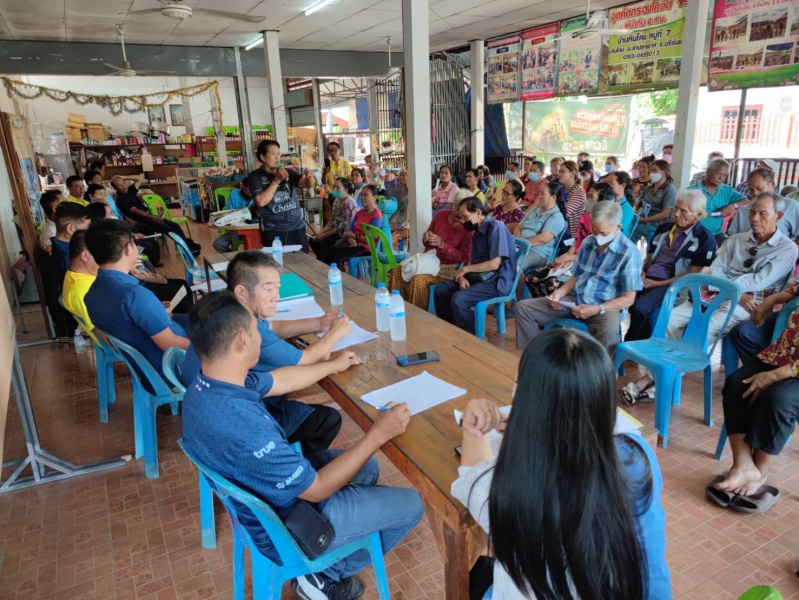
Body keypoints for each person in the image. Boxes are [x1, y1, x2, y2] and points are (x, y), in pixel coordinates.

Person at [181, 291, 423, 600]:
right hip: (285, 525)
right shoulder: (245, 428)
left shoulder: (209, 386)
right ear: (241, 340)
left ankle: (330, 562)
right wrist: (378, 434)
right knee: (412, 505)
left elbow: (280, 380)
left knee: (368, 467)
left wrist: (332, 365)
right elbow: (317, 489)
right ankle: (323, 576)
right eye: (256, 330)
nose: (261, 335)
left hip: (267, 497)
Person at [452, 328, 670, 600]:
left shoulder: (511, 493)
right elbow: (653, 571)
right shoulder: (637, 455)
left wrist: (474, 416)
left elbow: (472, 473)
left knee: (476, 575)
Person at [181, 251, 355, 454]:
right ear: (242, 292)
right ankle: (296, 461)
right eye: (269, 289)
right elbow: (306, 361)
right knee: (328, 420)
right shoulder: (244, 330)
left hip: (209, 397)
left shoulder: (227, 309)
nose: (276, 297)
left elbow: (271, 329)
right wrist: (335, 333)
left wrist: (319, 323)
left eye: (277, 288)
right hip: (240, 416)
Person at [707, 281, 799, 513]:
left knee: (778, 398)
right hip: (784, 353)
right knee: (736, 384)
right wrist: (771, 299)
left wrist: (776, 375)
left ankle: (760, 473)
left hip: (792, 368)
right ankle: (743, 466)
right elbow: (795, 288)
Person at [666, 193, 798, 343]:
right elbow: (716, 270)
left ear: (778, 216)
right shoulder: (736, 240)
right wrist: (732, 291)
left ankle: (686, 357)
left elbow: (759, 281)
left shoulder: (787, 248)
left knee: (704, 329)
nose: (755, 218)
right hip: (717, 292)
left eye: (762, 214)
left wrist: (729, 289)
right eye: (752, 212)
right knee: (670, 319)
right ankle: (668, 356)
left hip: (752, 300)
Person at [516, 201, 642, 353]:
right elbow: (576, 277)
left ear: (618, 227)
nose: (598, 237)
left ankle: (597, 369)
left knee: (609, 333)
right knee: (524, 308)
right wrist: (559, 293)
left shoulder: (629, 252)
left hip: (605, 307)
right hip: (576, 300)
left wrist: (596, 309)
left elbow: (628, 298)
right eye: (594, 231)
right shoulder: (589, 242)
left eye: (603, 233)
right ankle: (533, 357)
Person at [84, 219, 189, 380]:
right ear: (128, 249)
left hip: (148, 368)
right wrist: (212, 348)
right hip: (175, 368)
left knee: (205, 318)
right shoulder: (134, 294)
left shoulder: (91, 293)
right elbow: (170, 343)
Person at [624, 190, 716, 345]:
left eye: (683, 211)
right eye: (676, 208)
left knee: (640, 307)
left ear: (698, 215)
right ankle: (619, 345)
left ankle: (632, 346)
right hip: (648, 278)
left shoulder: (704, 239)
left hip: (673, 286)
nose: (676, 214)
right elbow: (649, 257)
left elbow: (692, 275)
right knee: (616, 293)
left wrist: (656, 284)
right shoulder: (664, 229)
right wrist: (642, 272)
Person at [434, 197, 517, 335]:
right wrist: (462, 277)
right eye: (460, 217)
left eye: (465, 217)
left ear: (477, 212)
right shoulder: (477, 231)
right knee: (441, 290)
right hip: (480, 277)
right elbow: (471, 261)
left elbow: (494, 264)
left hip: (497, 281)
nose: (462, 221)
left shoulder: (496, 228)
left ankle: (472, 338)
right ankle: (453, 330)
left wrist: (464, 270)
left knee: (459, 299)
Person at [387, 189, 473, 310]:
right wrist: (426, 238)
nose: (460, 214)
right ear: (452, 205)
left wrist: (443, 246)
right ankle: (397, 309)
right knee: (397, 271)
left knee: (418, 280)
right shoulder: (440, 215)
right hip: (427, 261)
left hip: (447, 268)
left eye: (463, 212)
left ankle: (417, 315)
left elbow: (462, 257)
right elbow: (425, 240)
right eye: (457, 209)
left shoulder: (468, 229)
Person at [248, 139, 316, 252]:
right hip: (273, 229)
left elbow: (305, 184)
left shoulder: (288, 172)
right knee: (277, 260)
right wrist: (277, 180)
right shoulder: (255, 176)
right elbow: (261, 201)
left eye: (278, 154)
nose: (277, 157)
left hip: (297, 226)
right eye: (273, 154)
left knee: (302, 260)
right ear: (263, 157)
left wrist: (310, 178)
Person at [111, 174, 203, 255]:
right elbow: (136, 211)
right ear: (115, 188)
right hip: (142, 220)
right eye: (120, 185)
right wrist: (154, 217)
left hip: (148, 216)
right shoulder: (120, 199)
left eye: (123, 183)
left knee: (175, 226)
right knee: (167, 229)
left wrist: (124, 177)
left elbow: (139, 178)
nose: (123, 186)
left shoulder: (130, 190)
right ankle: (188, 247)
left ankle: (187, 245)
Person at [316, 184, 382, 267]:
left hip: (366, 247)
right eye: (361, 195)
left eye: (366, 195)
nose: (362, 198)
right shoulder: (359, 213)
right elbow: (349, 231)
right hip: (353, 244)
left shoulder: (376, 215)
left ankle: (339, 275)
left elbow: (370, 239)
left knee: (337, 258)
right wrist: (350, 238)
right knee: (323, 254)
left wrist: (353, 236)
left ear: (374, 197)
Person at [728, 168, 799, 240]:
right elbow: (732, 238)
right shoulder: (743, 210)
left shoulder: (791, 207)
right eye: (751, 190)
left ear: (772, 184)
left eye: (759, 188)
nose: (755, 193)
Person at [688, 158, 747, 243]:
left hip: (716, 234)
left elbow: (746, 201)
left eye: (724, 175)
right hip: (692, 233)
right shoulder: (691, 191)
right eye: (718, 173)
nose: (721, 178)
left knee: (730, 245)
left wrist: (733, 205)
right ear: (708, 172)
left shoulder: (727, 190)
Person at [513, 181, 566, 271]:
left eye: (543, 194)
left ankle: (515, 280)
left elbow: (544, 238)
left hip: (538, 252)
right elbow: (518, 227)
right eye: (540, 193)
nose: (539, 196)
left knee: (515, 264)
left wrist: (522, 244)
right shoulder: (534, 210)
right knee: (498, 255)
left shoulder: (556, 216)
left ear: (553, 197)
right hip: (519, 245)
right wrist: (518, 239)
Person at [309, 177, 359, 259]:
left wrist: (324, 235)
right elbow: (332, 220)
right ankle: (325, 261)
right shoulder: (337, 201)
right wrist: (320, 233)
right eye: (334, 187)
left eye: (338, 187)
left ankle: (326, 261)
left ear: (346, 190)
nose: (335, 189)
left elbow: (342, 227)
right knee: (313, 240)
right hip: (337, 232)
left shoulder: (349, 203)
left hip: (345, 235)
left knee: (322, 252)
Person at [61, 230, 98, 332]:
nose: (107, 259)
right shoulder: (81, 291)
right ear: (85, 255)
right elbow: (101, 332)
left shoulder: (76, 275)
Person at [632, 159, 677, 243]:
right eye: (651, 170)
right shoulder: (648, 188)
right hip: (644, 219)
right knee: (627, 225)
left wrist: (645, 220)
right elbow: (638, 204)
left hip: (659, 223)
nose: (652, 173)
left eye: (655, 170)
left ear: (664, 172)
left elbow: (666, 213)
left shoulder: (669, 189)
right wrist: (636, 210)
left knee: (634, 230)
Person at [212, 180, 254, 253]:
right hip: (236, 231)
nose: (251, 192)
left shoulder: (259, 195)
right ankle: (234, 258)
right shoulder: (234, 195)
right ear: (242, 186)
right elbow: (229, 214)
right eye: (249, 189)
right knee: (218, 244)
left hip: (254, 231)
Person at [557, 160, 587, 237]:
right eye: (559, 171)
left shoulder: (579, 192)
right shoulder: (560, 189)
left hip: (570, 234)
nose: (559, 174)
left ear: (572, 173)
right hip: (558, 227)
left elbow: (565, 213)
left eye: (562, 171)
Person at [606, 170, 635, 236]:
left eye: (611, 183)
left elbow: (615, 233)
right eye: (607, 183)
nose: (608, 186)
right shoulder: (608, 202)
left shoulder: (626, 209)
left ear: (622, 185)